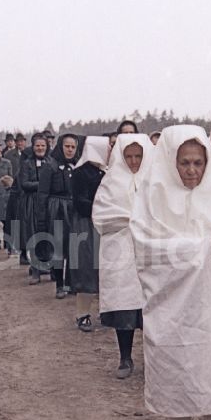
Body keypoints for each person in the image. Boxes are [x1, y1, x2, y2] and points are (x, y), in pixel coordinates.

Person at [130, 125, 211, 420]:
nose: (192, 170)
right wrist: (200, 248)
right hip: (174, 306)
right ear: (170, 163)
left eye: (198, 163)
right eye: (184, 163)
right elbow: (146, 247)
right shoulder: (153, 196)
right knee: (179, 370)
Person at [93, 133, 154, 378]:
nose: (133, 161)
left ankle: (154, 359)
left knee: (152, 306)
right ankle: (125, 357)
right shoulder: (111, 181)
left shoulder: (156, 179)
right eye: (128, 156)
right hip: (121, 249)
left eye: (138, 156)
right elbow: (100, 216)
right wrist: (128, 219)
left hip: (150, 249)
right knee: (125, 305)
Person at [68, 137, 108, 331]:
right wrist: (101, 207)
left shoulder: (105, 172)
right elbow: (79, 201)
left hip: (101, 223)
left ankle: (105, 311)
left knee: (103, 268)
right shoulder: (80, 173)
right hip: (85, 224)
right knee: (86, 268)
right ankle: (82, 313)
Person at [38, 133, 80, 298]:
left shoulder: (77, 165)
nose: (70, 150)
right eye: (67, 146)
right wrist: (42, 218)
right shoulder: (50, 166)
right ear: (60, 147)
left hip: (73, 207)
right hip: (56, 208)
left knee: (74, 246)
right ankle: (59, 285)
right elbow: (42, 194)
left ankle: (71, 282)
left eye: (73, 147)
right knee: (58, 246)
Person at [19, 133, 50, 282]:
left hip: (48, 203)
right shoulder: (26, 163)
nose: (40, 148)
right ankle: (36, 271)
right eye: (37, 145)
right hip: (32, 203)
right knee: (34, 236)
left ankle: (50, 268)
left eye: (43, 145)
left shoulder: (51, 162)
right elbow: (24, 184)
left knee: (50, 235)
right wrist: (43, 185)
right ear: (33, 147)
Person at [3, 133, 26, 253]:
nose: (20, 143)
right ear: (15, 143)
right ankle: (10, 245)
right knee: (12, 218)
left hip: (25, 191)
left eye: (22, 141)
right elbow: (6, 172)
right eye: (18, 141)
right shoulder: (8, 155)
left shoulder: (29, 154)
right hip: (13, 189)